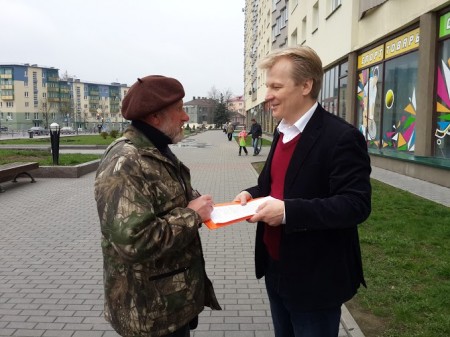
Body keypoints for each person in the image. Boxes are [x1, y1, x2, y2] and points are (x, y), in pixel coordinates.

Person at [233, 46, 372, 337]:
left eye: (276, 86)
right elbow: (272, 186)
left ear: (306, 85)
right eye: (267, 86)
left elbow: (355, 204)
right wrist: (250, 194)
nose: (267, 94)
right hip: (275, 268)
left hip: (315, 279)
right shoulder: (284, 131)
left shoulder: (342, 137)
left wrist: (286, 212)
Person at [94, 75, 221, 337]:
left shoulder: (156, 150)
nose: (185, 117)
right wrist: (191, 215)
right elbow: (134, 242)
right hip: (149, 314)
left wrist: (194, 202)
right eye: (179, 110)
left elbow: (165, 200)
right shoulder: (126, 163)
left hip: (169, 304)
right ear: (154, 117)